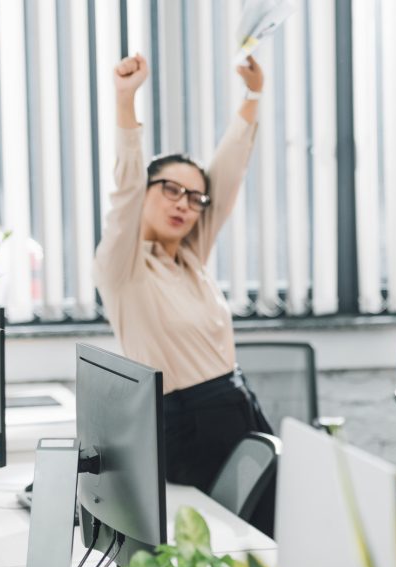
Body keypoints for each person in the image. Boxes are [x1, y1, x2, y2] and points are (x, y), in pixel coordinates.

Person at [94, 53, 275, 536]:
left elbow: (228, 176)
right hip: (187, 426)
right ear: (148, 193)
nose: (184, 203)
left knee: (269, 528)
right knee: (218, 542)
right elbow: (125, 190)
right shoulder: (123, 269)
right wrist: (125, 100)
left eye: (194, 197)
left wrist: (252, 97)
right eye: (170, 189)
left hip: (238, 408)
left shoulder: (190, 257)